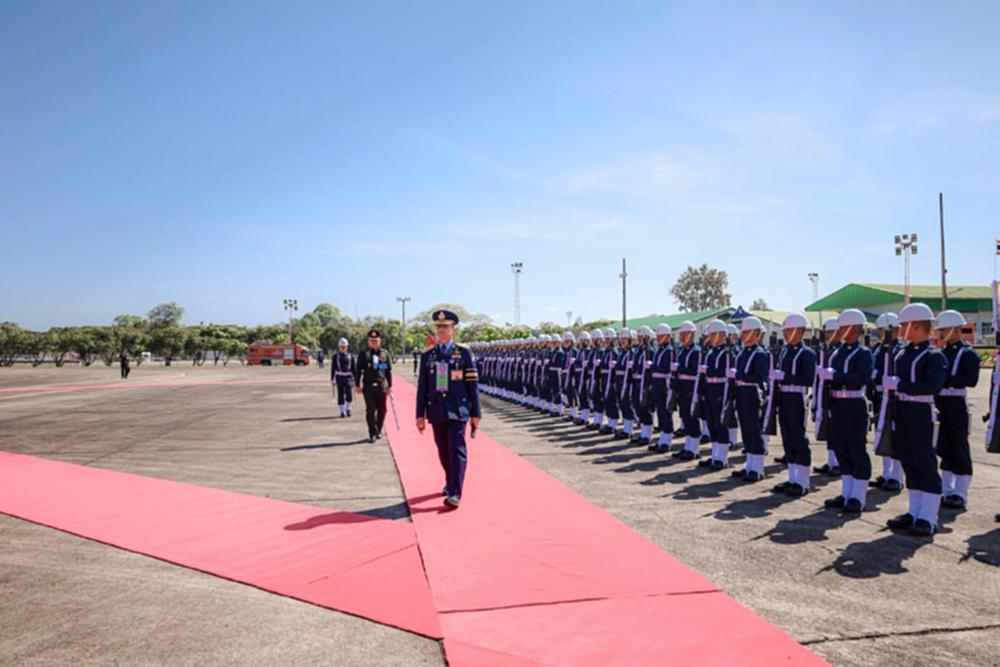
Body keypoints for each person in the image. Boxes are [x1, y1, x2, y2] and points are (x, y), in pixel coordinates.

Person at [884, 303, 948, 537]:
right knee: (909, 461)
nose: (901, 329)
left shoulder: (932, 356)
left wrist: (900, 385)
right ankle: (915, 511)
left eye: (904, 325)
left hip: (921, 412)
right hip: (903, 411)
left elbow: (933, 386)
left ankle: (929, 517)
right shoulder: (904, 353)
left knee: (924, 462)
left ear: (917, 326)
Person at [415, 309, 481, 509]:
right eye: (438, 327)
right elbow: (423, 387)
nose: (441, 330)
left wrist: (475, 412)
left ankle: (455, 492)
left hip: (458, 408)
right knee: (443, 449)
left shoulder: (464, 352)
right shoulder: (428, 355)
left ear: (454, 329)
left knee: (457, 449)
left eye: (445, 327)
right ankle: (450, 480)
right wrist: (420, 414)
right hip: (436, 409)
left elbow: (472, 384)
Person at [819, 309, 874, 514]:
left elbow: (861, 378)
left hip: (853, 404)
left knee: (856, 449)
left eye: (843, 327)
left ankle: (858, 496)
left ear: (854, 328)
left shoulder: (863, 353)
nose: (839, 331)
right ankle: (847, 492)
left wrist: (836, 376)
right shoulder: (837, 352)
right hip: (837, 404)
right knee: (841, 448)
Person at [934, 310, 981, 510]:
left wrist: (945, 380)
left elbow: (971, 380)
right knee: (943, 447)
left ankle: (960, 493)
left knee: (959, 447)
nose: (940, 334)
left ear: (955, 328)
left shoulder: (968, 353)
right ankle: (947, 489)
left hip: (956, 403)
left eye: (943, 330)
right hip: (940, 403)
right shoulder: (941, 353)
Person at [770, 313, 817, 497]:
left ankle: (803, 481)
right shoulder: (784, 351)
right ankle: (792, 478)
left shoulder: (806, 353)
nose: (786, 334)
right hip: (783, 396)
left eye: (789, 330)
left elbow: (808, 379)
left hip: (796, 397)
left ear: (799, 331)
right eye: (785, 331)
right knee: (787, 438)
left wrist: (784, 377)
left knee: (798, 437)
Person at [728, 318, 769, 481]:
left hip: (752, 393)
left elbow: (760, 376)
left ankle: (757, 469)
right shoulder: (742, 353)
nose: (743, 335)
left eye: (746, 332)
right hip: (741, 392)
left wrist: (738, 375)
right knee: (746, 430)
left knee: (754, 429)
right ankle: (749, 465)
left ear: (756, 333)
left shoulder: (759, 354)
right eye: (743, 332)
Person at [355, 329, 393, 442]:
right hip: (368, 386)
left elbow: (388, 371)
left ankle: (378, 430)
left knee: (383, 410)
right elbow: (358, 370)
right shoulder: (364, 354)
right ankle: (372, 433)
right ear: (368, 342)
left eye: (376, 340)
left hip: (381, 386)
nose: (374, 342)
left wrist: (390, 386)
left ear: (380, 341)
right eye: (372, 341)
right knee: (371, 410)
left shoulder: (384, 354)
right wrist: (357, 385)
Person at [331, 338, 356, 418]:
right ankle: (342, 411)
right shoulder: (335, 357)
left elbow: (354, 369)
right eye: (342, 347)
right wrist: (332, 379)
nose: (343, 348)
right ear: (339, 347)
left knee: (349, 394)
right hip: (339, 377)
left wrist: (355, 380)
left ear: (347, 347)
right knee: (340, 394)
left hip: (348, 377)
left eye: (344, 346)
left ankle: (348, 408)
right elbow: (333, 368)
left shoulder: (351, 356)